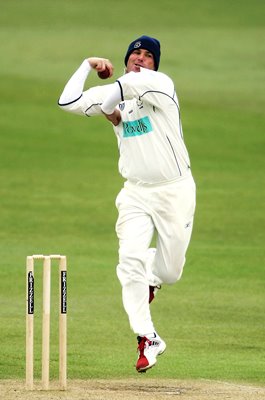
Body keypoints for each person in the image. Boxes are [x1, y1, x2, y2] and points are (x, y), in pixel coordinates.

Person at [58, 35, 196, 373]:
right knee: (128, 262)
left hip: (174, 191)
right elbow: (68, 101)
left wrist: (109, 108)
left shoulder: (161, 85)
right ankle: (147, 337)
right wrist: (87, 65)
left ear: (155, 66)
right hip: (135, 192)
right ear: (125, 59)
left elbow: (122, 91)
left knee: (170, 271)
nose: (141, 58)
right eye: (135, 53)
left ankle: (154, 275)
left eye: (148, 55)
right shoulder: (118, 87)